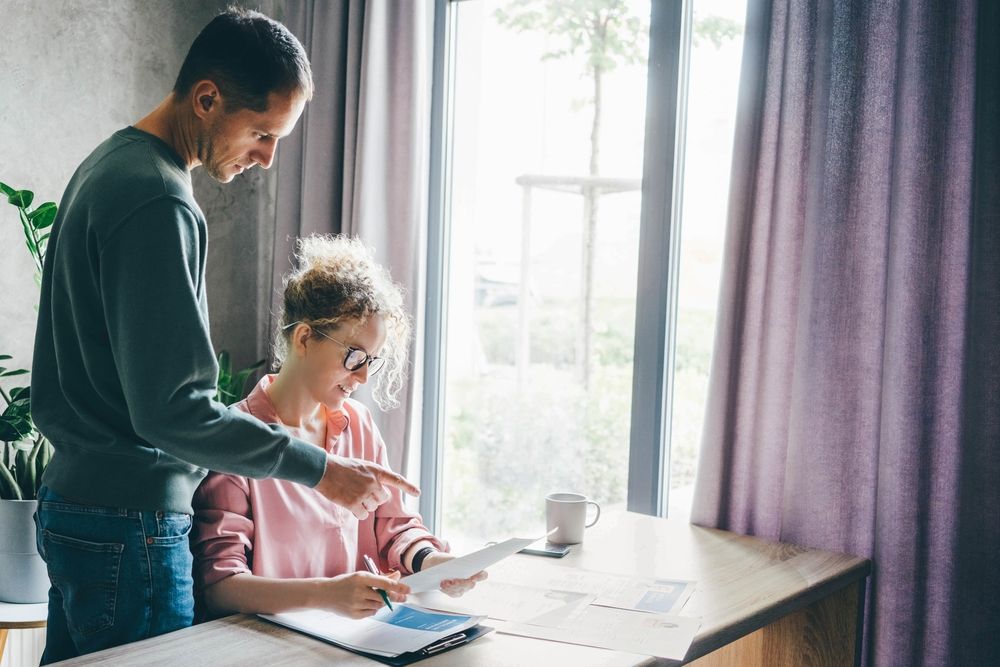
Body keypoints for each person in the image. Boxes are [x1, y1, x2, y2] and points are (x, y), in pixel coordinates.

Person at [30, 9, 417, 663]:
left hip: (75, 504)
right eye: (263, 133)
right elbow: (173, 411)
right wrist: (321, 470)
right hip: (132, 522)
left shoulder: (108, 167)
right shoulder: (159, 199)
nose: (267, 158)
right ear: (206, 98)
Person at [192, 235, 485, 619]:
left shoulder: (359, 426)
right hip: (269, 646)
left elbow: (392, 528)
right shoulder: (237, 441)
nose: (363, 376)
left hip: (353, 641)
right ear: (304, 338)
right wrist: (327, 595)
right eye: (354, 356)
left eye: (372, 361)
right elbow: (220, 587)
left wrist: (432, 562)